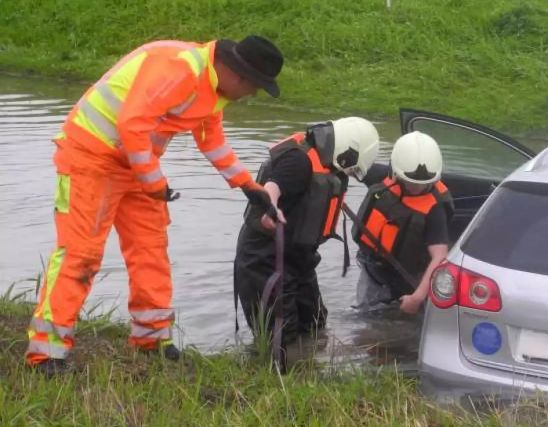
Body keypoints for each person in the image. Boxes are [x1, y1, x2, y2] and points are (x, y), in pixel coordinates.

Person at [26, 35, 284, 375]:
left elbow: (212, 141)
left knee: (151, 251)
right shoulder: (180, 68)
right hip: (91, 157)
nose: (251, 96)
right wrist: (153, 181)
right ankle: (46, 354)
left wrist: (250, 187)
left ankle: (151, 340)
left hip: (136, 164)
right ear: (239, 76)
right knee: (81, 253)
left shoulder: (213, 88)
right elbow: (131, 123)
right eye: (254, 88)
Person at [235, 117, 380, 346]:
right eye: (352, 168)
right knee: (281, 338)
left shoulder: (327, 161)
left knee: (315, 325)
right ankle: (273, 375)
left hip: (299, 261)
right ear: (346, 152)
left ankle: (309, 374)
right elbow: (273, 186)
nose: (350, 173)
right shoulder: (298, 161)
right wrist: (269, 205)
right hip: (264, 261)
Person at [353, 131, 453, 314]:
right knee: (365, 321)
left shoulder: (435, 208)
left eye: (424, 184)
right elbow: (346, 168)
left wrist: (417, 297)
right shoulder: (381, 177)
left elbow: (440, 256)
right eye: (409, 182)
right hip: (373, 272)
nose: (416, 187)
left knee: (403, 328)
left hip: (408, 280)